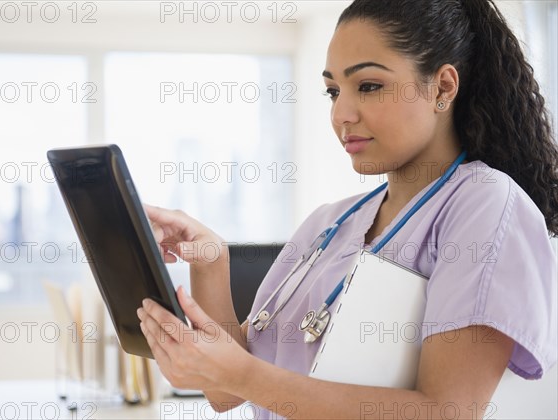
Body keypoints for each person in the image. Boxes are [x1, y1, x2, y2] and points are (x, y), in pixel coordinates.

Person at [136, 0, 558, 418]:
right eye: (333, 91)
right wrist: (212, 261)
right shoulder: (327, 225)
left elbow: (446, 411)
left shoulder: (484, 203)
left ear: (443, 87)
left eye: (369, 86)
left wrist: (243, 376)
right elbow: (225, 393)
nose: (341, 114)